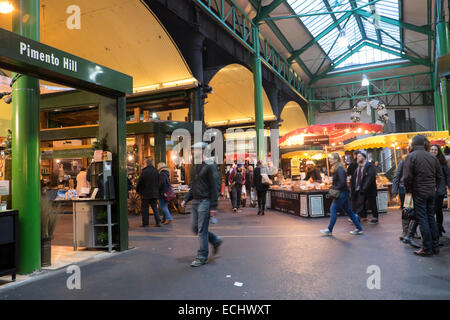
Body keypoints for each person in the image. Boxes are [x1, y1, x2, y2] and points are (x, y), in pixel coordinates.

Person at [181, 142, 223, 267]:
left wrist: (214, 206)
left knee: (201, 230)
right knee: (196, 228)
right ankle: (215, 240)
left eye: (196, 150)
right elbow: (194, 185)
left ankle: (202, 256)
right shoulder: (197, 166)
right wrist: (186, 199)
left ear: (203, 150)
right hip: (196, 201)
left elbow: (215, 186)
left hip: (205, 201)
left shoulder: (210, 165)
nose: (193, 152)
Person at [403, 135, 442, 256]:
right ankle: (435, 246)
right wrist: (433, 186)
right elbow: (439, 176)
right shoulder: (432, 157)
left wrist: (409, 190)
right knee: (431, 217)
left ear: (413, 144)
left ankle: (426, 248)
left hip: (419, 192)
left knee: (422, 218)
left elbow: (407, 177)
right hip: (431, 191)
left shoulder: (411, 156)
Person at [320, 153, 363, 236]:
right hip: (344, 193)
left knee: (333, 209)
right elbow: (341, 181)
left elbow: (343, 182)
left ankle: (329, 229)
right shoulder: (338, 168)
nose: (329, 160)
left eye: (331, 158)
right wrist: (333, 185)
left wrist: (335, 188)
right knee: (349, 211)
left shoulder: (339, 169)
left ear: (336, 160)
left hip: (341, 193)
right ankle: (359, 228)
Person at [350, 152, 379, 224]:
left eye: (359, 156)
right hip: (361, 189)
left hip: (369, 189)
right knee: (360, 203)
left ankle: (375, 217)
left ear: (364, 157)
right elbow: (356, 178)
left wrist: (364, 187)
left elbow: (370, 177)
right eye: (357, 157)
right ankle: (359, 216)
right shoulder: (358, 167)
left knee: (372, 203)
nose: (357, 158)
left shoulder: (369, 166)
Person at [429, 145, 450, 236]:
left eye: (435, 150)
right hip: (430, 188)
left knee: (438, 209)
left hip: (440, 188)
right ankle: (435, 228)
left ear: (438, 151)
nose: (433, 151)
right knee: (431, 209)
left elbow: (447, 175)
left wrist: (449, 185)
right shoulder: (427, 160)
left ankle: (439, 227)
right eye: (432, 149)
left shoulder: (442, 161)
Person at [136, 158, 161, 227]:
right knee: (155, 208)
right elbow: (159, 182)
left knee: (145, 209)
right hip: (154, 193)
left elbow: (140, 182)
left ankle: (145, 223)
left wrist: (138, 190)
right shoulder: (156, 171)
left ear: (146, 164)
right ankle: (158, 222)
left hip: (145, 193)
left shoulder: (144, 172)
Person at [392, 154, 408, 240]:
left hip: (414, 189)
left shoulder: (415, 162)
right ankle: (405, 231)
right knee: (405, 210)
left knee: (414, 210)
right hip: (403, 188)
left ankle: (413, 231)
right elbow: (397, 176)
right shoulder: (403, 163)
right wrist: (394, 190)